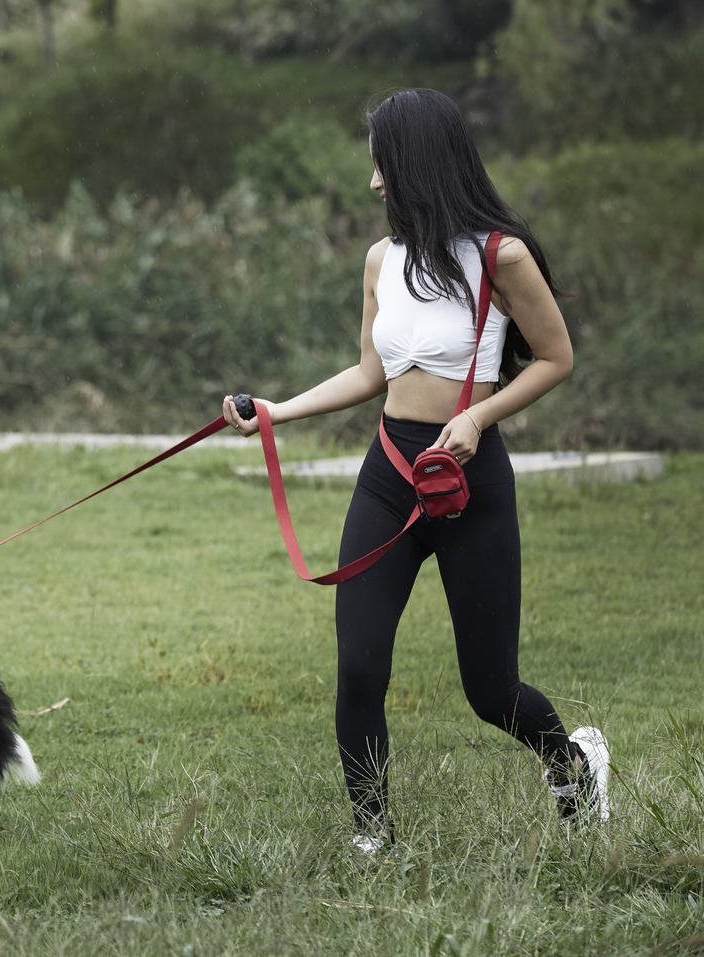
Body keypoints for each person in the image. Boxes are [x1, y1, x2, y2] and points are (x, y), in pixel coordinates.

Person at [221, 89, 608, 852]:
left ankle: (574, 768)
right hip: (389, 473)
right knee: (359, 671)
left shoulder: (502, 255)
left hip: (471, 482)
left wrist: (475, 416)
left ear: (417, 165)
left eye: (381, 167)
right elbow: (371, 372)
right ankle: (372, 839)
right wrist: (275, 409)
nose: (373, 185)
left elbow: (558, 358)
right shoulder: (381, 261)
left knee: (490, 690)